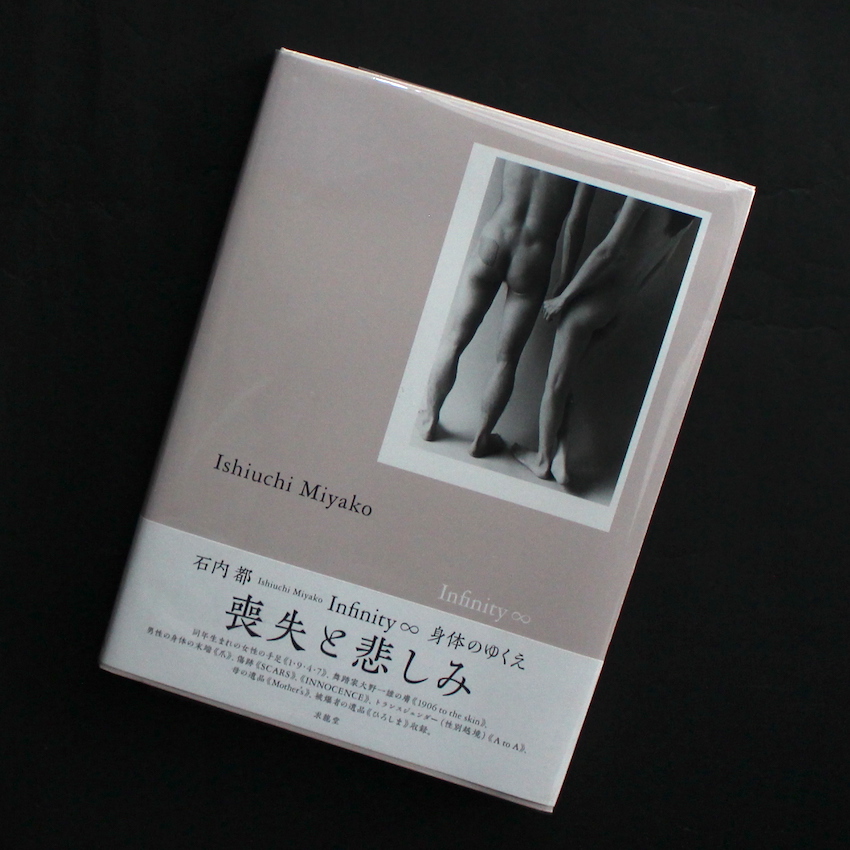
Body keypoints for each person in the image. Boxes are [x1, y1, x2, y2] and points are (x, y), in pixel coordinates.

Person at [513, 197, 695, 486]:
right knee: (568, 383)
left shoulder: (643, 199)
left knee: (556, 384)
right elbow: (657, 266)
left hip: (593, 299)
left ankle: (542, 460)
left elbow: (607, 251)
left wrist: (564, 297)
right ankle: (560, 457)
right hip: (617, 304)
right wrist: (622, 305)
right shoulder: (685, 218)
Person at [416, 162, 580, 457]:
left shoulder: (529, 140)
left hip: (495, 237)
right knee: (507, 360)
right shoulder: (582, 162)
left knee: (453, 341)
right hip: (533, 255)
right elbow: (575, 223)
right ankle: (480, 439)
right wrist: (565, 281)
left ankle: (429, 419)